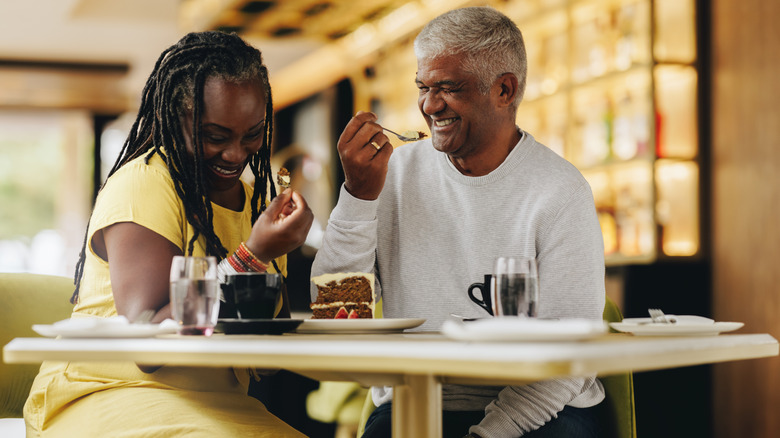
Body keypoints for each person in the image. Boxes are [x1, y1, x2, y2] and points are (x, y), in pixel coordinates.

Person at [310, 6, 605, 438]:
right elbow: (335, 312)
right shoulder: (389, 174)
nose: (430, 105)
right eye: (423, 87)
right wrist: (357, 196)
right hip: (413, 401)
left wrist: (484, 435)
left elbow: (565, 364)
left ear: (505, 90)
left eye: (449, 88)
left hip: (544, 410)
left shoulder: (560, 191)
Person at [24, 31, 313, 437]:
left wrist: (272, 253)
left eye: (252, 134)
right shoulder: (145, 182)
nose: (236, 153)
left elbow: (264, 360)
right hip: (109, 394)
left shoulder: (256, 206)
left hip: (216, 405)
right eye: (216, 136)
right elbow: (150, 347)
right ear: (178, 120)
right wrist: (253, 254)